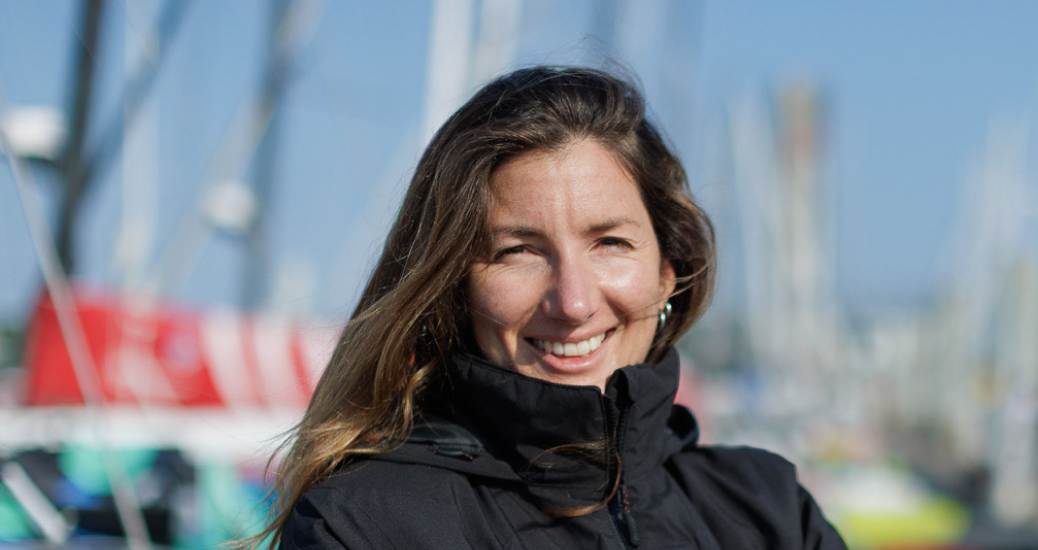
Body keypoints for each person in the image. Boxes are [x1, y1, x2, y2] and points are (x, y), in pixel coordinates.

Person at [260, 66, 847, 549]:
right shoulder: (366, 526)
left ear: (667, 272)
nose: (574, 302)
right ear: (453, 288)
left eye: (610, 242)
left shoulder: (768, 510)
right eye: (518, 251)